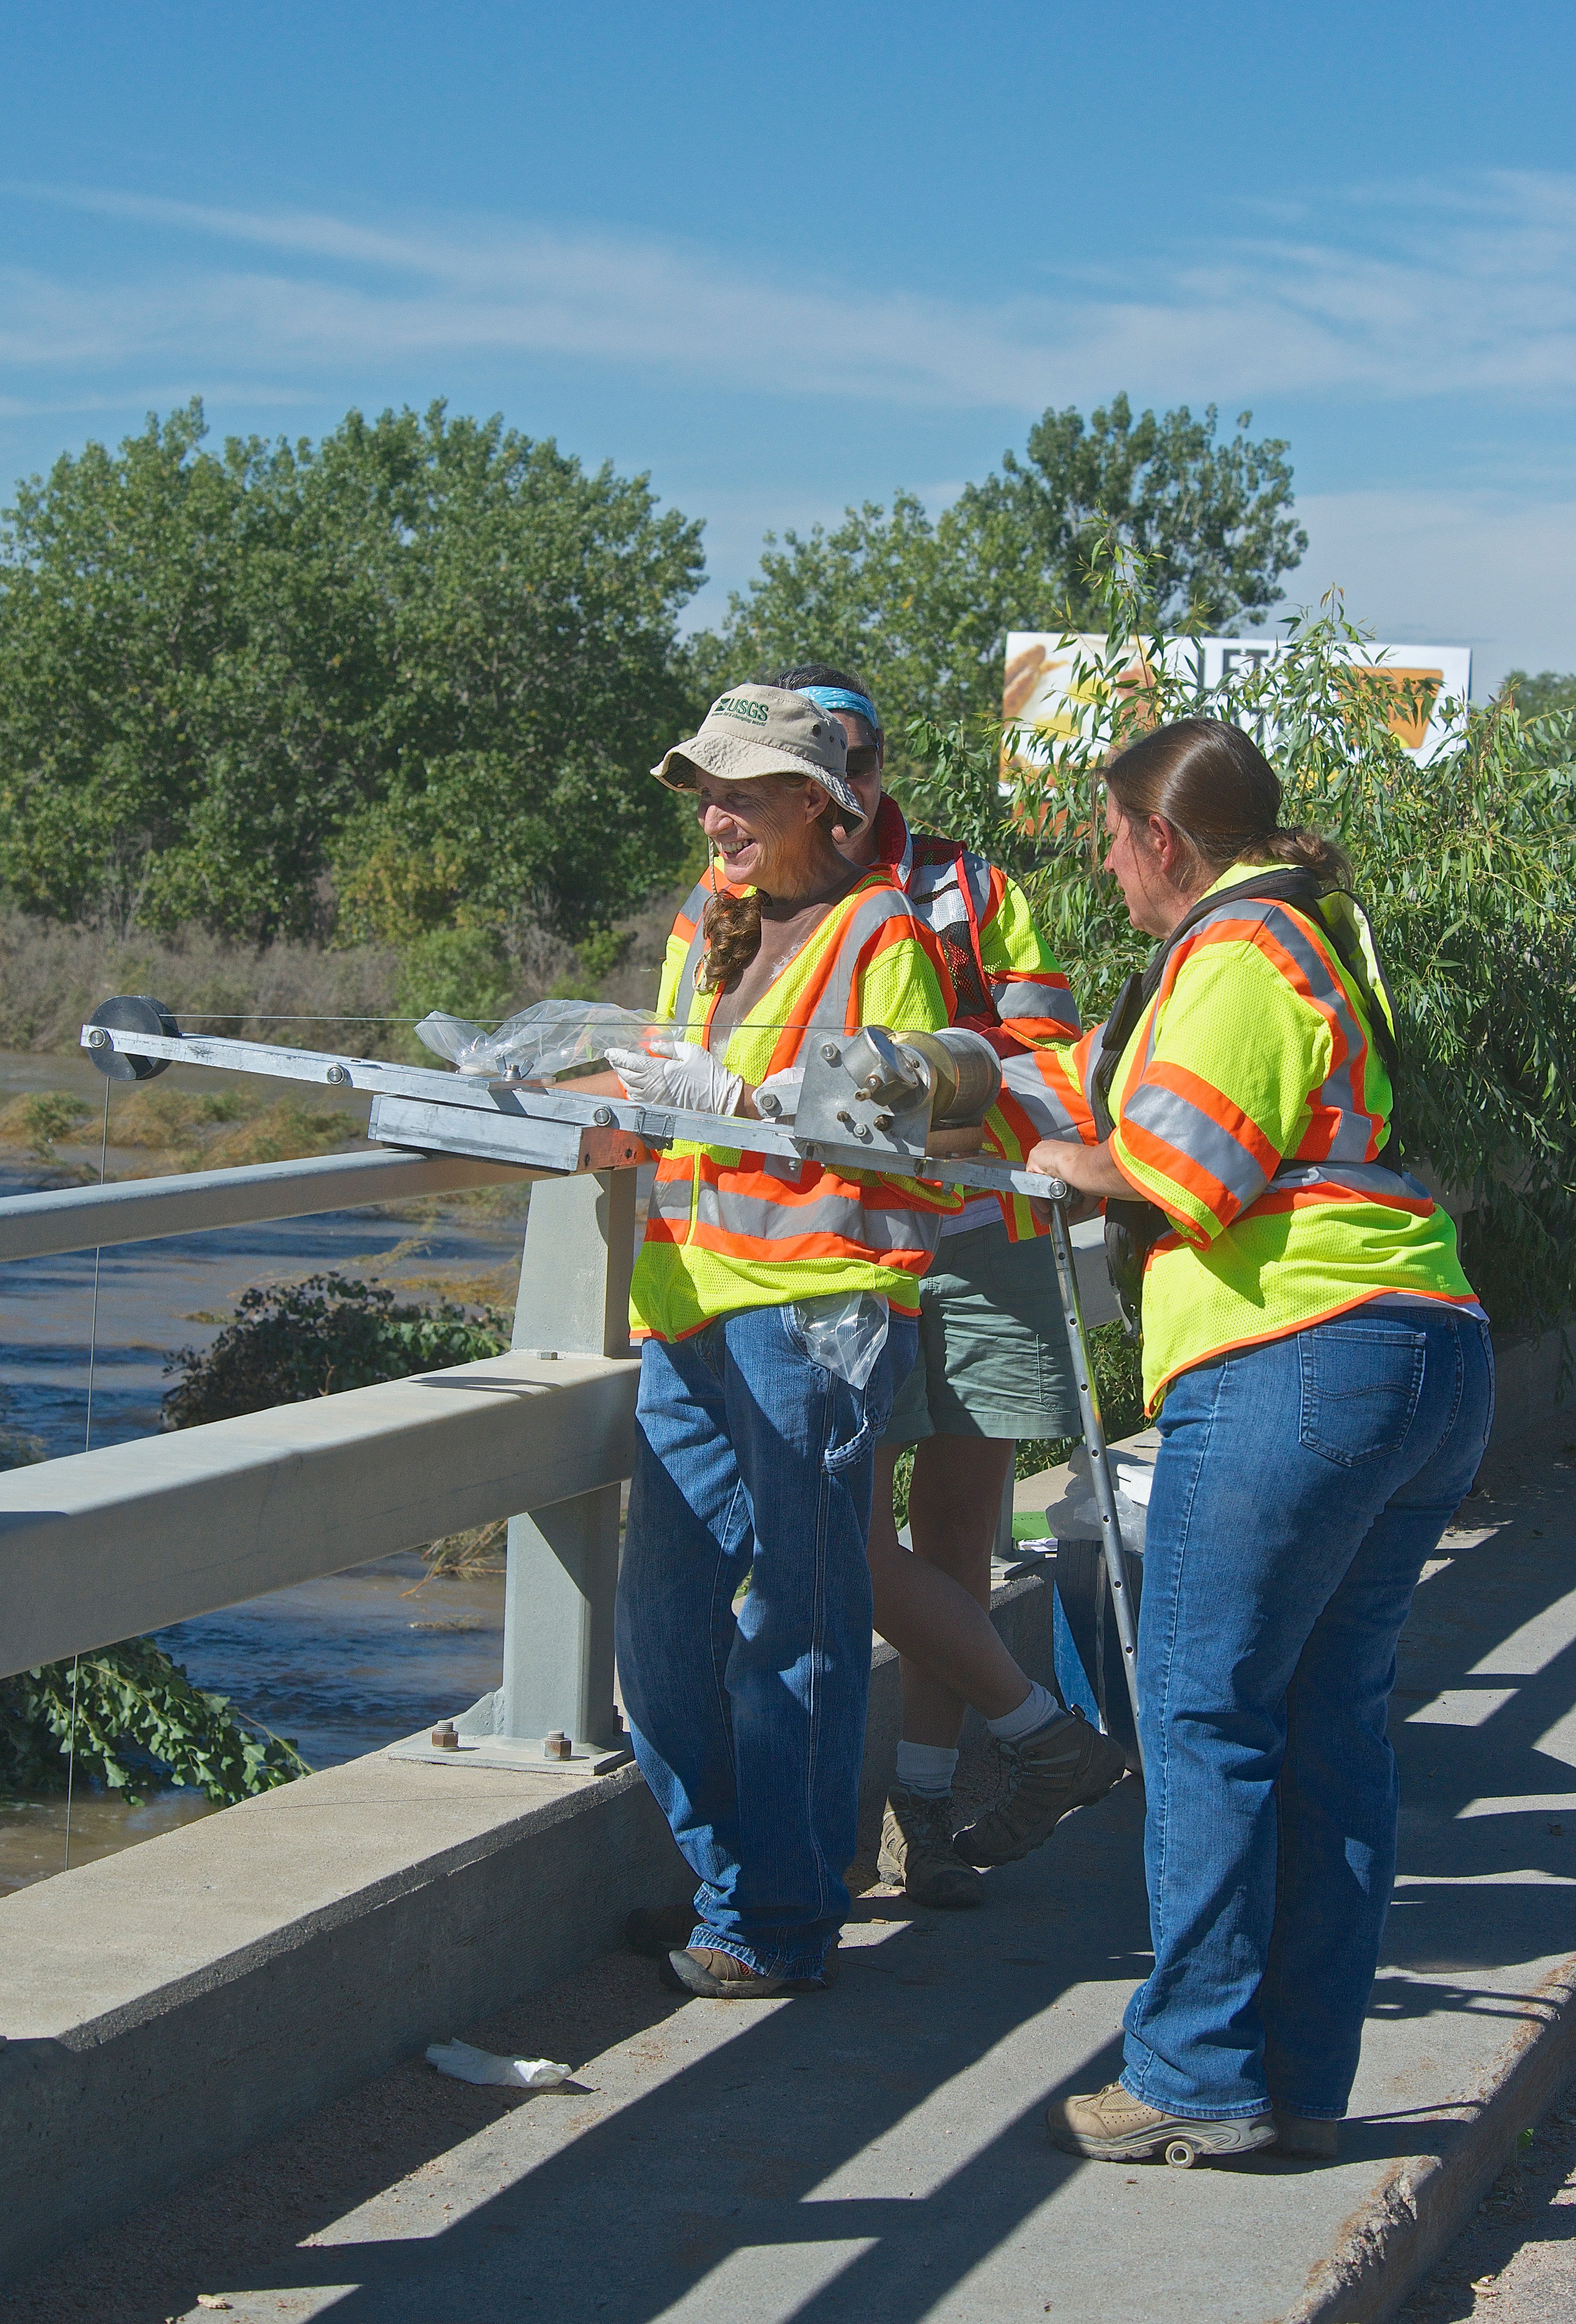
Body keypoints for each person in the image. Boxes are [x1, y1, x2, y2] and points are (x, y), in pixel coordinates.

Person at [1026, 717, 1493, 2164]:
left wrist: (1062, 1160)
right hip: (1416, 1345)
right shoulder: (1305, 944)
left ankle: (1187, 2080)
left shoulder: (1233, 958)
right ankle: (1290, 2076)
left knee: (1206, 1712)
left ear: (1162, 838)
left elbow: (1182, 1171)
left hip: (1297, 1354)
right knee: (1326, 1723)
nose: (1104, 867)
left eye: (1109, 837)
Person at [608, 684, 961, 1999]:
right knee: (659, 1633)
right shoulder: (706, 921)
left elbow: (899, 1122)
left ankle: (783, 1915)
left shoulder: (879, 932)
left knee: (796, 1628)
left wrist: (744, 1098)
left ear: (816, 802)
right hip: (688, 1299)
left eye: (744, 791)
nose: (716, 812)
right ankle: (734, 1884)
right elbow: (660, 1079)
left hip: (815, 1306)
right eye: (707, 788)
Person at [762, 661, 1128, 1909]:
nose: (840, 787)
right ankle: (1031, 1739)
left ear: (876, 765)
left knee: (957, 1535)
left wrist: (935, 1098)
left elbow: (1044, 1052)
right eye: (812, 766)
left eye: (854, 760)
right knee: (843, 1542)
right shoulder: (740, 891)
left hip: (976, 1237)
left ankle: (919, 1812)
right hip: (832, 1248)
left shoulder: (972, 888)